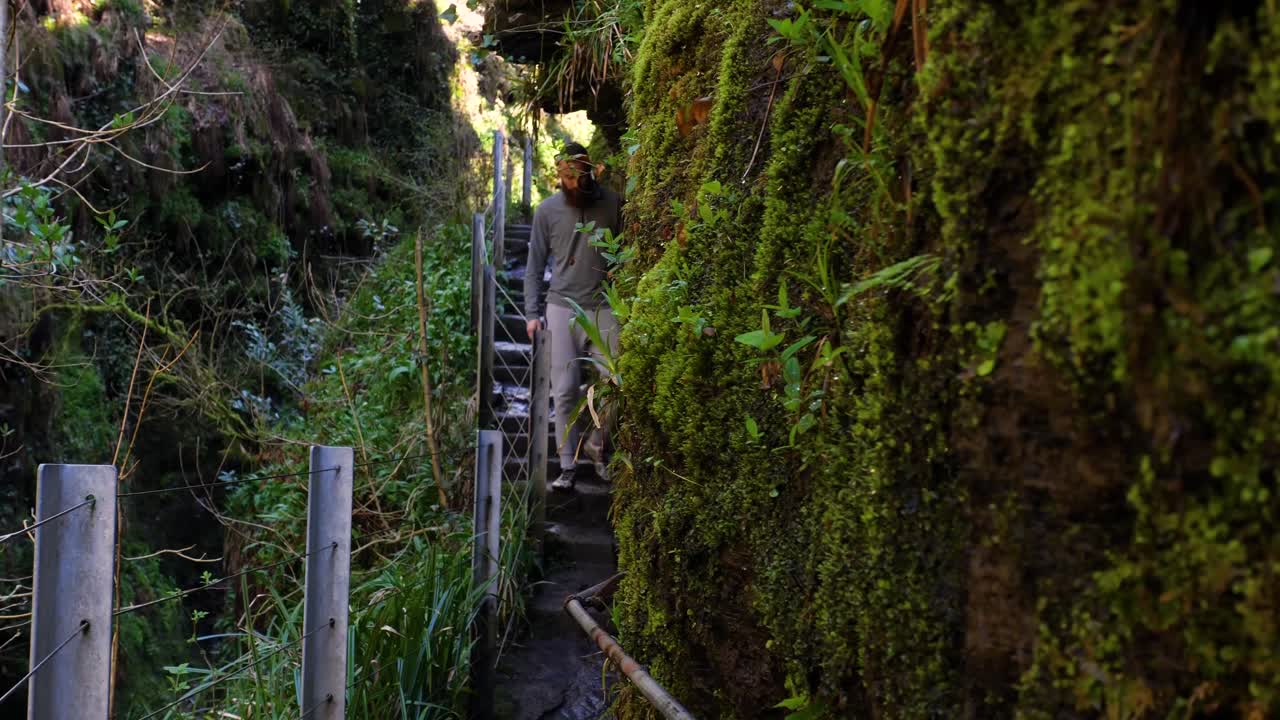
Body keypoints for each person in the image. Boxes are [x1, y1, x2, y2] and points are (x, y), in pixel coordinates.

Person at [525, 142, 623, 492]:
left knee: (614, 382)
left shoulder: (612, 205)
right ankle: (567, 464)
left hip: (603, 308)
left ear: (590, 171)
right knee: (564, 391)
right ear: (559, 176)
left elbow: (624, 255)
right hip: (561, 307)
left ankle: (598, 444)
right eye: (565, 175)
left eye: (577, 174)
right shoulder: (546, 211)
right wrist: (532, 313)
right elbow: (534, 267)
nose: (571, 181)